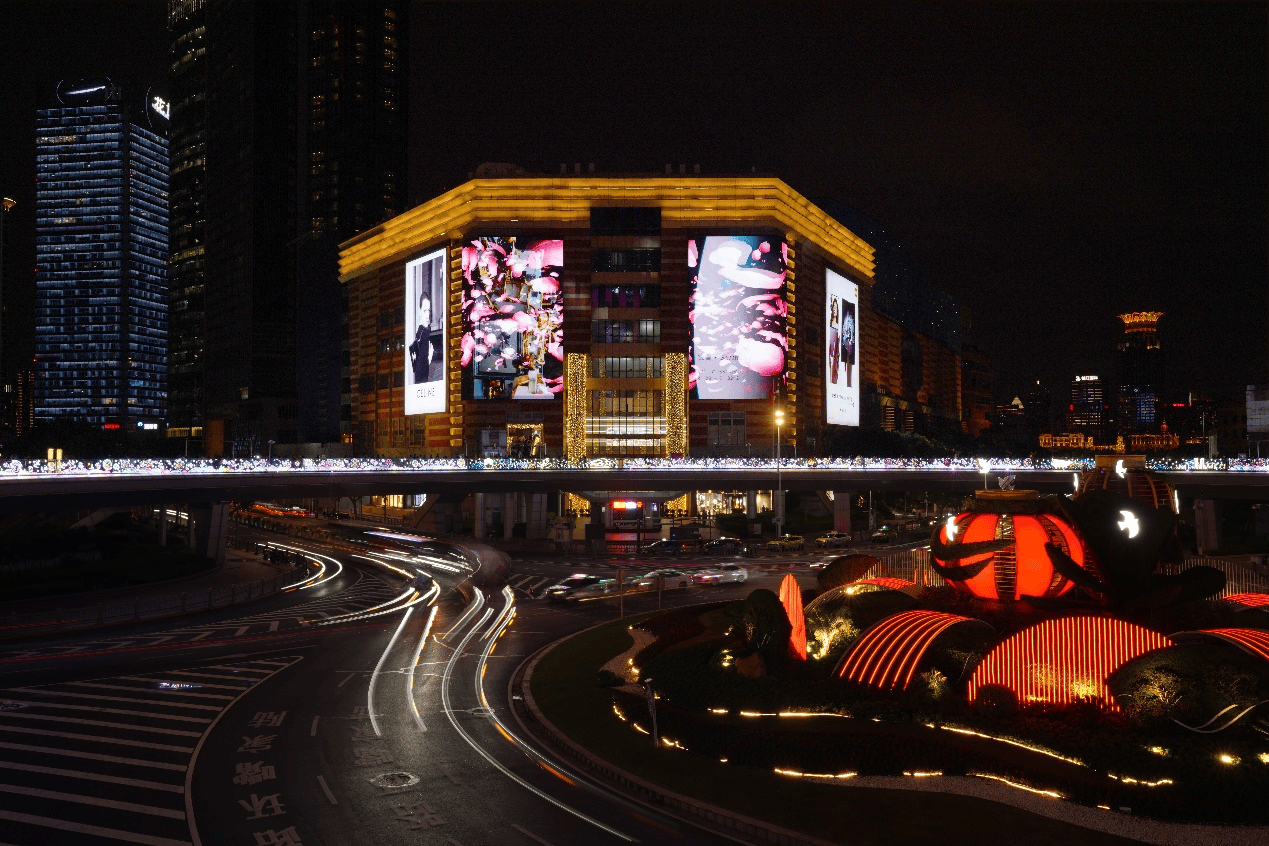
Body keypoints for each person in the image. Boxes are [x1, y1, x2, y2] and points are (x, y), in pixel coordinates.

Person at [409, 292, 443, 384]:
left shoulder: (423, 332)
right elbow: (420, 369)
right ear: (419, 311)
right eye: (425, 311)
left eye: (429, 310)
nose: (428, 315)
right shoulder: (423, 333)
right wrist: (429, 357)